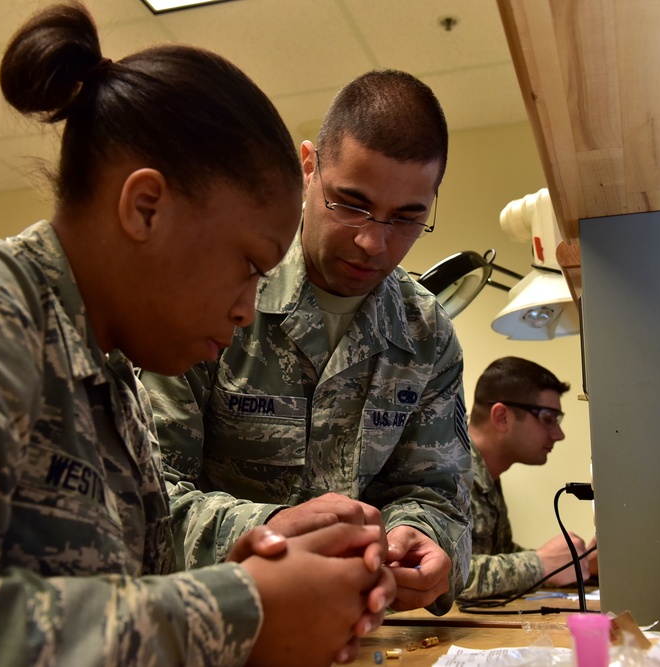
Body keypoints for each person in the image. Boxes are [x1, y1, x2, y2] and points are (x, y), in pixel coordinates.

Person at [0, 3, 393, 666]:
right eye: (250, 266)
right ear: (146, 207)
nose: (248, 310)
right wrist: (238, 609)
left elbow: (102, 604)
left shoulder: (113, 380)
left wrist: (251, 573)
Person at [142, 69, 472, 615]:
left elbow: (440, 497)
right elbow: (146, 496)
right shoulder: (220, 286)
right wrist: (270, 532)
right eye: (352, 204)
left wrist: (427, 542)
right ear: (309, 166)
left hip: (356, 634)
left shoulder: (426, 334)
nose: (374, 242)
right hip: (212, 626)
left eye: (408, 218)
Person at [459, 357, 596, 601]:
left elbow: (498, 556)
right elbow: (439, 576)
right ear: (502, 417)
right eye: (547, 418)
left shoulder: (485, 474)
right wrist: (539, 565)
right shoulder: (446, 473)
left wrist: (572, 564)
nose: (559, 434)